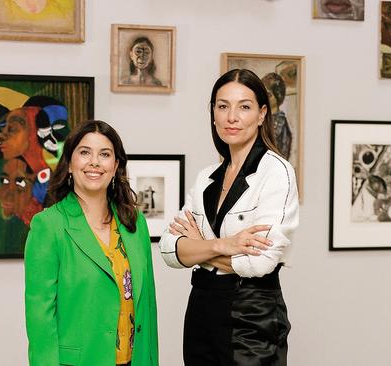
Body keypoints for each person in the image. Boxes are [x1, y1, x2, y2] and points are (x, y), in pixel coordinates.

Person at [159, 69, 299, 365]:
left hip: (252, 315)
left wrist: (199, 248)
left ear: (262, 114)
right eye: (223, 106)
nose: (231, 117)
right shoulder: (206, 178)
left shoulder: (276, 172)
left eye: (244, 107)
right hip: (201, 310)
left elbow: (261, 262)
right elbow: (170, 249)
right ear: (213, 114)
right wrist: (224, 245)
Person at [25, 120, 159, 366]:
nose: (95, 162)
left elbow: (147, 307)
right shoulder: (48, 225)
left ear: (116, 165)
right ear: (69, 164)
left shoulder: (135, 223)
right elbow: (40, 320)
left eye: (105, 154)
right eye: (85, 152)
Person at [261, 72, 292, 160]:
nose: (265, 98)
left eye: (269, 95)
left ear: (278, 96)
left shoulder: (279, 122)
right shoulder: (263, 118)